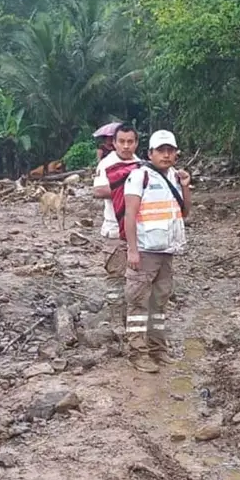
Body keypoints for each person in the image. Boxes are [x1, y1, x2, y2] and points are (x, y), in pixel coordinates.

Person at [122, 130, 191, 373]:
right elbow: (129, 215)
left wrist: (186, 187)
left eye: (170, 150)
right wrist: (132, 250)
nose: (166, 155)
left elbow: (185, 212)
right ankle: (137, 353)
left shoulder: (175, 176)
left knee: (159, 303)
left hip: (166, 251)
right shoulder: (139, 176)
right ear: (150, 153)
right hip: (145, 251)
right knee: (138, 303)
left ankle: (158, 349)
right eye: (161, 150)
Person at [93, 124, 142, 331]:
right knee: (115, 278)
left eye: (130, 141)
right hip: (114, 230)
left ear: (136, 143)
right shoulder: (107, 164)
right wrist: (125, 185)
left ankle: (135, 323)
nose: (126, 146)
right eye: (121, 141)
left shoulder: (141, 164)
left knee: (137, 279)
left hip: (139, 231)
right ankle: (116, 322)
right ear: (114, 143)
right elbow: (98, 190)